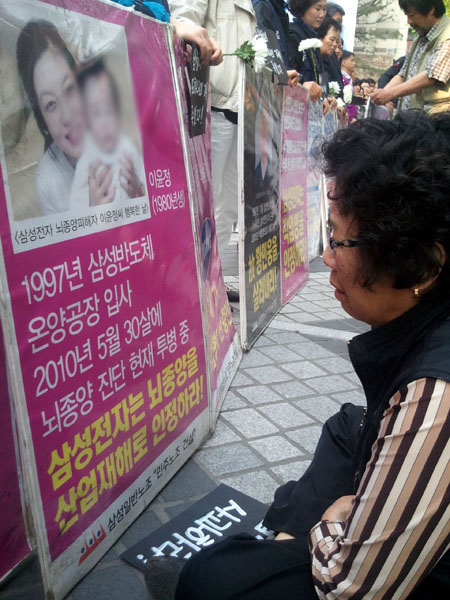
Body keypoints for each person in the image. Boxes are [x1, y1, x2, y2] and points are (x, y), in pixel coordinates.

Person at [145, 110, 450, 600]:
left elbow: (353, 588)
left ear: (424, 265)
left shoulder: (435, 397)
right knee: (347, 429)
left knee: (210, 579)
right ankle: (280, 551)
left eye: (340, 240)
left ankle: (271, 561)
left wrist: (332, 521)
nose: (327, 258)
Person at [16, 20, 140, 215]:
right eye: (50, 104)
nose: (67, 115)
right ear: (43, 120)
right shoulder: (48, 180)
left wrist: (138, 196)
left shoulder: (115, 135)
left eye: (69, 89)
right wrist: (93, 216)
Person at [169, 0, 256, 265]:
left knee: (229, 206)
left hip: (241, 108)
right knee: (203, 202)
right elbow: (183, 17)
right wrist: (196, 39)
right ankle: (193, 275)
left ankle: (213, 276)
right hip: (210, 104)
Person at [70, 59, 145, 208]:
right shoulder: (87, 161)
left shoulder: (127, 148)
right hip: (102, 220)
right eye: (96, 113)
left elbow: (146, 180)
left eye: (109, 111)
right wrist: (91, 206)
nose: (105, 122)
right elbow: (75, 207)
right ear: (87, 120)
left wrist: (139, 189)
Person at [371, 0, 450, 113]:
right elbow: (403, 74)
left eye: (411, 15)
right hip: (412, 116)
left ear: (431, 10)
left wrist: (390, 94)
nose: (409, 21)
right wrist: (382, 94)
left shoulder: (447, 36)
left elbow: (430, 76)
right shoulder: (419, 40)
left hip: (436, 117)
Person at [252, 0, 300, 86]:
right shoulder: (262, 5)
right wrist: (281, 75)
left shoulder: (278, 8)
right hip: (268, 87)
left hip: (278, 85)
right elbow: (265, 57)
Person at [288, 0, 327, 101]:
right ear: (304, 7)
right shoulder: (293, 35)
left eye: (324, 9)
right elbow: (290, 74)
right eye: (318, 9)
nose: (322, 14)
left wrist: (324, 98)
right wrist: (303, 84)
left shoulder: (313, 37)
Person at [317, 17, 343, 95]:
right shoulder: (310, 57)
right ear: (320, 37)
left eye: (337, 41)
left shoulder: (330, 62)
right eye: (332, 39)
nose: (335, 45)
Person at [341, 50, 358, 121]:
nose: (354, 63)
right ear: (344, 62)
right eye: (352, 60)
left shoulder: (349, 79)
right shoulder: (342, 78)